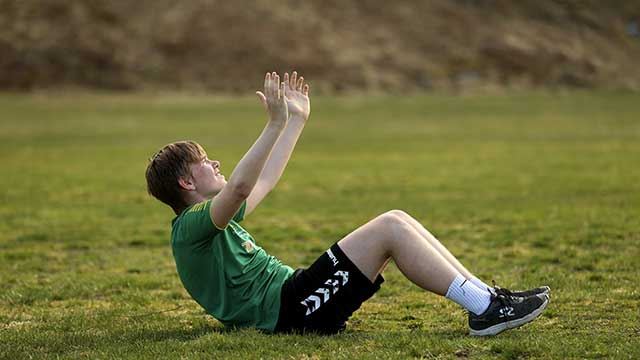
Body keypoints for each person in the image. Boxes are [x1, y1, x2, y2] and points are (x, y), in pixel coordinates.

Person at [145, 71, 549, 336]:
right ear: (186, 182)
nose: (215, 163)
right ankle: (485, 309)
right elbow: (239, 187)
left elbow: (262, 180)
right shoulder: (191, 227)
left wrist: (297, 121)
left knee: (398, 219)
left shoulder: (214, 221)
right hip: (291, 312)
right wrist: (273, 124)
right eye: (204, 163)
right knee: (390, 226)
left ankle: (488, 300)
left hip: (298, 299)